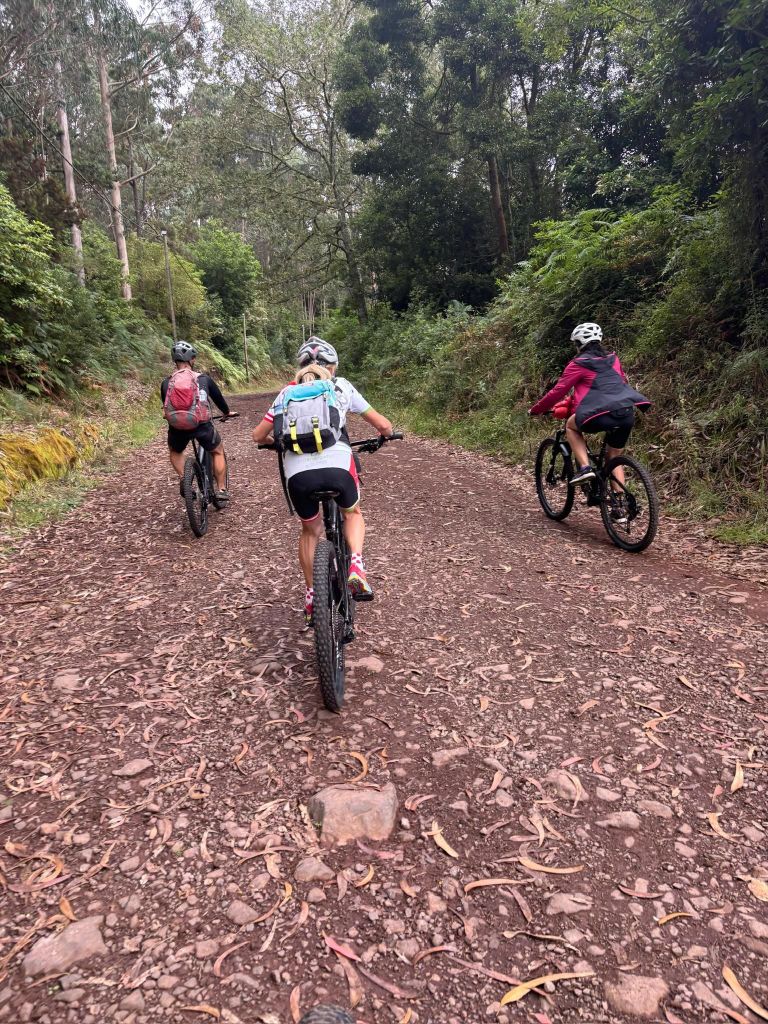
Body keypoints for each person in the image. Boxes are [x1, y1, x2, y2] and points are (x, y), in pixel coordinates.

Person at [252, 336, 394, 625]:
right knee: (352, 513)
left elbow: (258, 435)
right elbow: (383, 424)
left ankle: (311, 595)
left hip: (298, 475)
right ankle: (356, 566)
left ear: (300, 367)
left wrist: (276, 443)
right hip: (338, 466)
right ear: (333, 367)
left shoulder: (286, 394)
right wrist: (386, 435)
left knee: (309, 531)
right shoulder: (341, 386)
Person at [529, 323, 650, 517]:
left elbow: (558, 391)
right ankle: (619, 504)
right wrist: (574, 401)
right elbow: (613, 385)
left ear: (578, 344)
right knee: (613, 456)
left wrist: (537, 409)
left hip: (598, 414)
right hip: (626, 411)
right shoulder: (613, 358)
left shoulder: (578, 363)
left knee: (571, 426)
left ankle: (585, 468)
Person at [161, 340, 232, 502]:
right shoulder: (203, 379)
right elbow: (219, 400)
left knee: (175, 451)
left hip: (177, 427)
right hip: (201, 425)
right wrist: (227, 412)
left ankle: (184, 479)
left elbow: (166, 407)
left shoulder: (167, 382)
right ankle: (221, 489)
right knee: (217, 451)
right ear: (191, 359)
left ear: (175, 360)